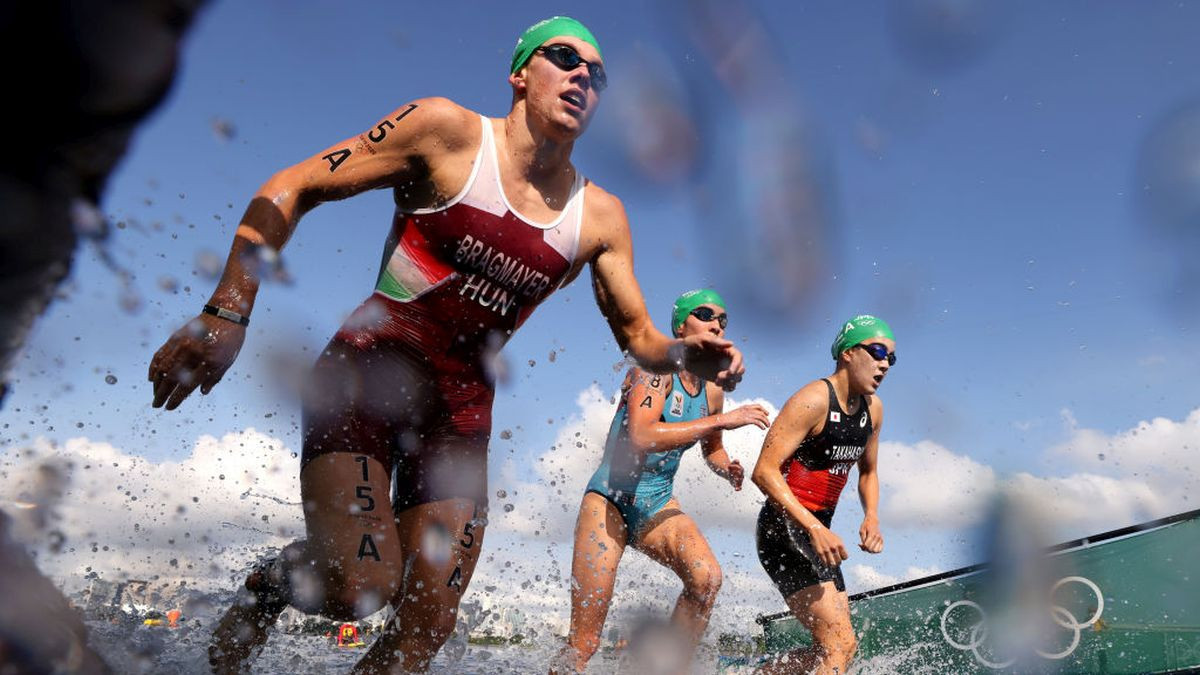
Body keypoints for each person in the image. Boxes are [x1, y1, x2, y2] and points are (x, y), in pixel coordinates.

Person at [145, 15, 745, 674]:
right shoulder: (446, 133)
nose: (582, 76)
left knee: (425, 629)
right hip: (363, 381)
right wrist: (228, 309)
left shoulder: (598, 215)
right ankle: (275, 582)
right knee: (358, 589)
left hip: (459, 417)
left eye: (596, 73)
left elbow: (639, 337)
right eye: (564, 57)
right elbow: (293, 186)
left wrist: (689, 355)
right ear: (520, 72)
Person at [555, 289, 770, 673]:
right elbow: (642, 435)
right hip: (608, 500)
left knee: (707, 579)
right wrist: (722, 421)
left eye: (723, 319)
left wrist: (726, 467)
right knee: (584, 643)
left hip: (656, 502)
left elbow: (711, 448)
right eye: (706, 314)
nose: (717, 323)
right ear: (680, 325)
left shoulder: (714, 391)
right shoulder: (653, 370)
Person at [749, 315, 894, 675]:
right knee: (839, 645)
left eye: (892, 357)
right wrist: (813, 527)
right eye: (877, 352)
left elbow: (869, 472)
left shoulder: (873, 410)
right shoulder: (813, 400)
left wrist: (871, 515)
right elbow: (764, 471)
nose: (885, 364)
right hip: (783, 530)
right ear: (847, 353)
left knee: (837, 649)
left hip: (818, 535)